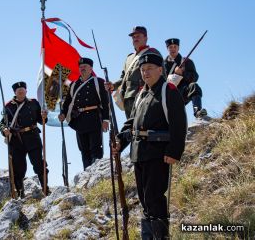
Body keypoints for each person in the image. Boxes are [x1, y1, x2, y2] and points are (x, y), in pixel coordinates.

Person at [113, 53, 187, 239]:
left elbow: (179, 123)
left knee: (154, 198)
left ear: (160, 70)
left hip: (158, 153)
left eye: (149, 69)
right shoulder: (141, 94)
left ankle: (161, 237)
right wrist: (120, 141)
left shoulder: (167, 90)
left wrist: (174, 151)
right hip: (139, 154)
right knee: (144, 200)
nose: (145, 72)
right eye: (143, 70)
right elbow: (132, 123)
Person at [0, 81, 49, 198]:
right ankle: (21, 194)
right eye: (18, 90)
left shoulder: (33, 103)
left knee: (39, 164)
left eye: (23, 89)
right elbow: (3, 123)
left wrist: (44, 116)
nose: (21, 91)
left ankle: (45, 189)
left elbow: (41, 120)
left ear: (26, 91)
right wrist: (4, 130)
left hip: (33, 137)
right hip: (17, 140)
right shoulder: (8, 106)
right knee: (18, 168)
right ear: (15, 92)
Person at [58, 57, 109, 170]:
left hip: (95, 119)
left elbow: (105, 102)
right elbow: (67, 103)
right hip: (79, 121)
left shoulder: (98, 82)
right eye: (81, 67)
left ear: (91, 69)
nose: (82, 69)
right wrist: (62, 113)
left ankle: (97, 172)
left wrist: (106, 120)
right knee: (83, 149)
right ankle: (87, 172)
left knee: (95, 148)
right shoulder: (74, 85)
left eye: (85, 67)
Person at [106, 26, 162, 119]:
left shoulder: (153, 53)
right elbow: (123, 78)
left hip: (143, 95)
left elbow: (161, 75)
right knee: (131, 128)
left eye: (138, 36)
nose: (135, 38)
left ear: (146, 38)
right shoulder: (129, 58)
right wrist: (113, 86)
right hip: (127, 98)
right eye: (133, 37)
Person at [164, 38, 208, 118]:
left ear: (178, 48)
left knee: (194, 86)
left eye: (175, 46)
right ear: (167, 48)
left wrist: (183, 73)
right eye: (170, 47)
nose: (173, 49)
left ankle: (197, 111)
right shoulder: (162, 65)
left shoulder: (186, 61)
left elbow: (195, 77)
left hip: (181, 92)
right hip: (166, 95)